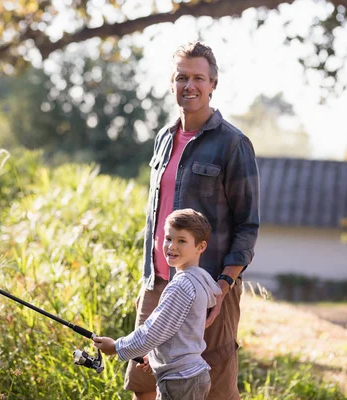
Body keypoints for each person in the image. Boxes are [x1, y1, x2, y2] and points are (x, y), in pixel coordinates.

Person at [125, 41, 260, 400]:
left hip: (207, 289)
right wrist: (149, 279)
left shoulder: (233, 144)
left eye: (198, 77)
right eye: (182, 77)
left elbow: (249, 225)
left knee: (213, 389)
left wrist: (223, 287)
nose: (190, 86)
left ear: (213, 83)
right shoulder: (163, 140)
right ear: (172, 83)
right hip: (158, 284)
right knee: (143, 385)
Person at [94, 208, 222, 400]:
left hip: (180, 381)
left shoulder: (181, 285)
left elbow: (152, 332)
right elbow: (178, 334)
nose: (172, 246)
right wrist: (154, 358)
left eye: (182, 241)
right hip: (191, 375)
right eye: (168, 238)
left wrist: (116, 347)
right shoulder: (199, 280)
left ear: (200, 247)